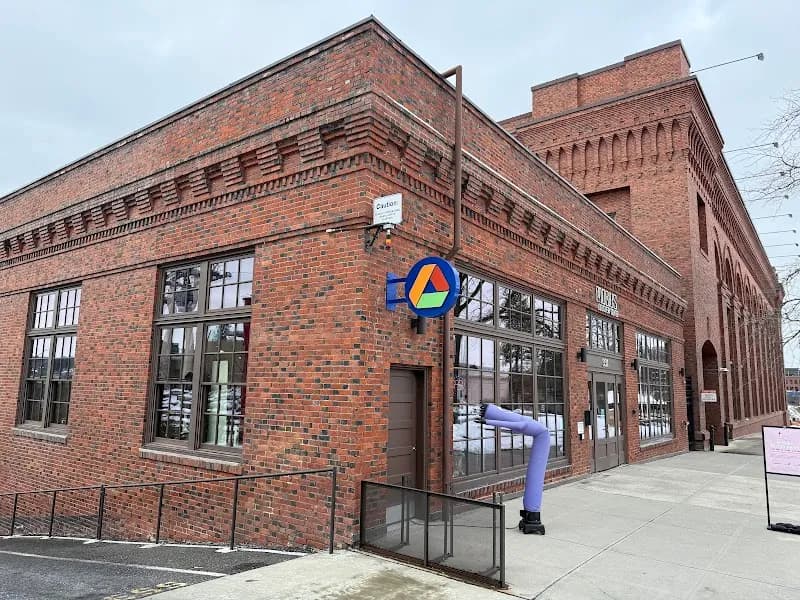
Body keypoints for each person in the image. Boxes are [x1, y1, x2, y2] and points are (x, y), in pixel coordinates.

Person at [475, 403, 548, 534]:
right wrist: (488, 420)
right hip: (539, 443)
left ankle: (532, 516)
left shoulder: (537, 429)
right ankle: (530, 514)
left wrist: (488, 421)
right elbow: (514, 422)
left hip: (539, 441)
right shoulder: (532, 425)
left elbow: (517, 426)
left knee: (534, 480)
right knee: (534, 479)